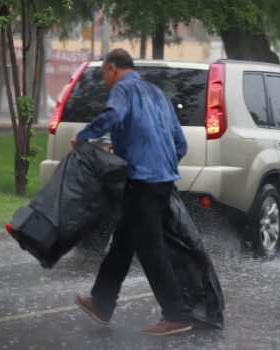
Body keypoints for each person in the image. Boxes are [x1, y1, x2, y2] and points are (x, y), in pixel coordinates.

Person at [71, 48, 193, 335]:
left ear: (112, 69)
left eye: (104, 74)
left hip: (143, 181)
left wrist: (84, 135)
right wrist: (163, 165)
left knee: (150, 248)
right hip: (161, 180)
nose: (104, 81)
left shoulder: (123, 89)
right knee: (123, 243)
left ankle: (177, 313)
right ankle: (101, 303)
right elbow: (181, 143)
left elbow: (112, 115)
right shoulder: (156, 93)